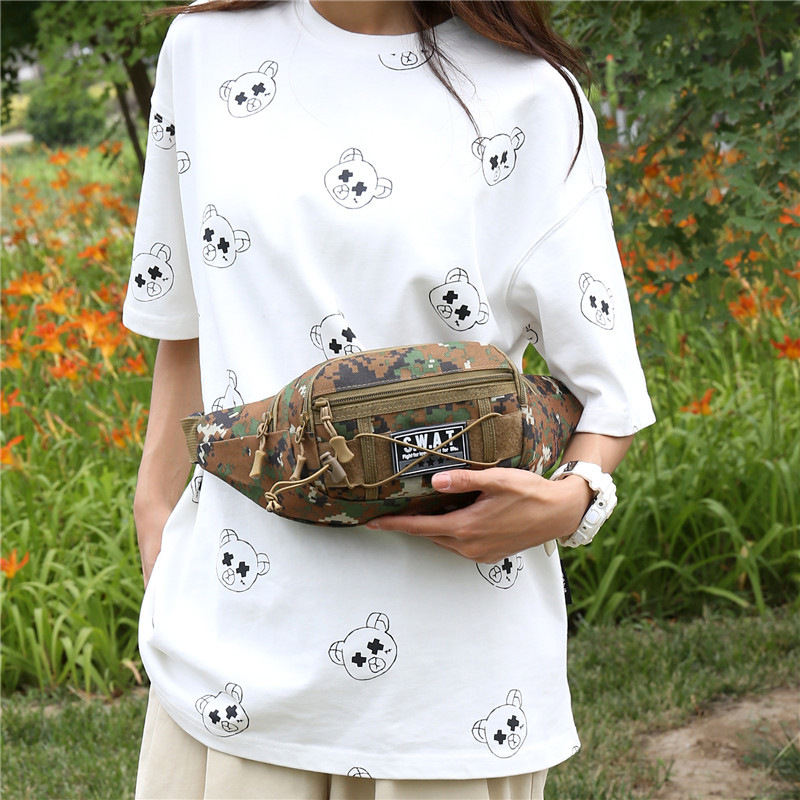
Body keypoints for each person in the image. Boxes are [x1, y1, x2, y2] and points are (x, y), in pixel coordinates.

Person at [124, 1, 655, 798]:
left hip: (453, 687)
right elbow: (188, 318)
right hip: (233, 655)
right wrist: (154, 512)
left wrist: (570, 504)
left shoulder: (531, 95)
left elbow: (606, 388)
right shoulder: (202, 51)